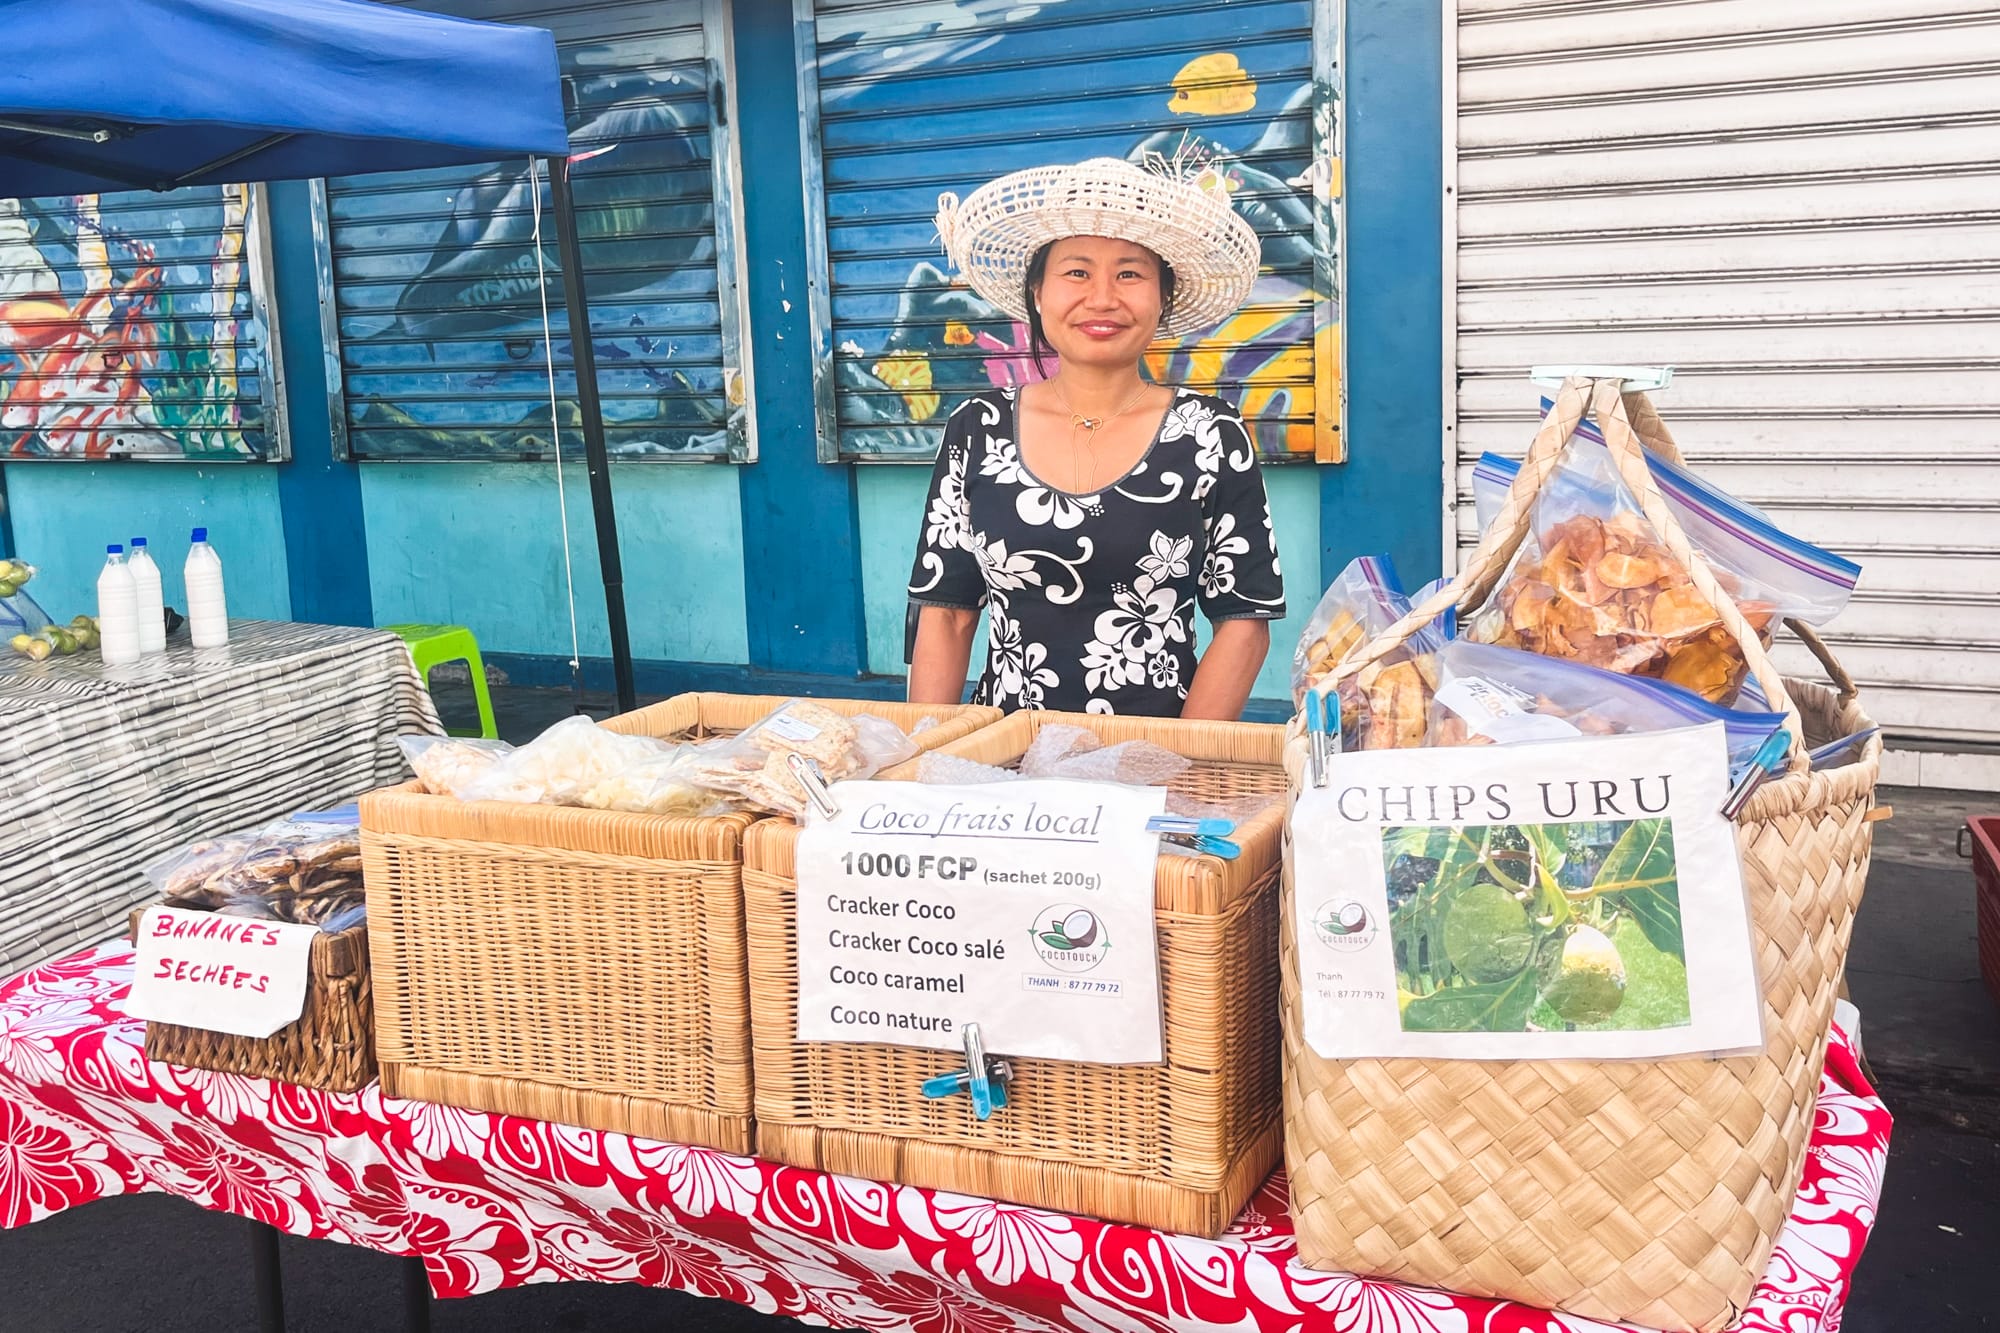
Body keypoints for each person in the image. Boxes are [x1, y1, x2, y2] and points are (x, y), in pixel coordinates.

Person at [906, 156, 1285, 719]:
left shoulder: (1210, 435)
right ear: (1038, 293)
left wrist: (1173, 765)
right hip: (1001, 761)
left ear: (1163, 297)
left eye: (1130, 273)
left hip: (1156, 761)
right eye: (1077, 272)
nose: (1103, 298)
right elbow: (947, 611)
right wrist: (924, 763)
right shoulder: (977, 429)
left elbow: (1244, 621)